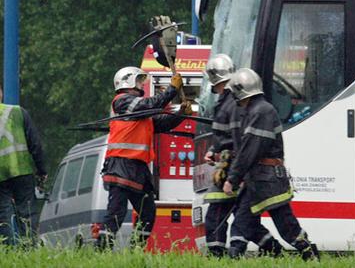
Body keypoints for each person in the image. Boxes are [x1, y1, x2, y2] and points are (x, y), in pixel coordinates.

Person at [223, 68, 319, 260]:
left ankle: (310, 255)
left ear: (241, 92)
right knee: (242, 220)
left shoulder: (262, 111)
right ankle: (232, 259)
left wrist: (232, 179)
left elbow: (250, 150)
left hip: (268, 181)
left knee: (286, 225)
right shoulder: (255, 110)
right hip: (258, 179)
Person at [96, 66, 190, 250]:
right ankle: (101, 251)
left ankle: (135, 250)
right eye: (139, 81)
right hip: (121, 165)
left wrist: (180, 114)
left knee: (148, 213)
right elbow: (148, 105)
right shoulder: (122, 101)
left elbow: (161, 123)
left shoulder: (141, 111)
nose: (141, 85)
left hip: (138, 168)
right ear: (127, 81)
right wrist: (172, 90)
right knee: (116, 213)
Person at [203, 55, 282, 257]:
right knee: (244, 219)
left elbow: (239, 138)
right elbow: (227, 135)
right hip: (232, 163)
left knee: (219, 213)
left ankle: (218, 255)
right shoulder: (231, 101)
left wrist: (231, 169)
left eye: (220, 85)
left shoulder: (233, 102)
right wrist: (214, 150)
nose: (220, 89)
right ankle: (273, 250)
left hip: (232, 164)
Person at [0, 85, 47, 246]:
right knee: (27, 213)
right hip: (21, 170)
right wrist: (42, 170)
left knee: (3, 215)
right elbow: (35, 144)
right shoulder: (18, 112)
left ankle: (8, 250)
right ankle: (29, 247)